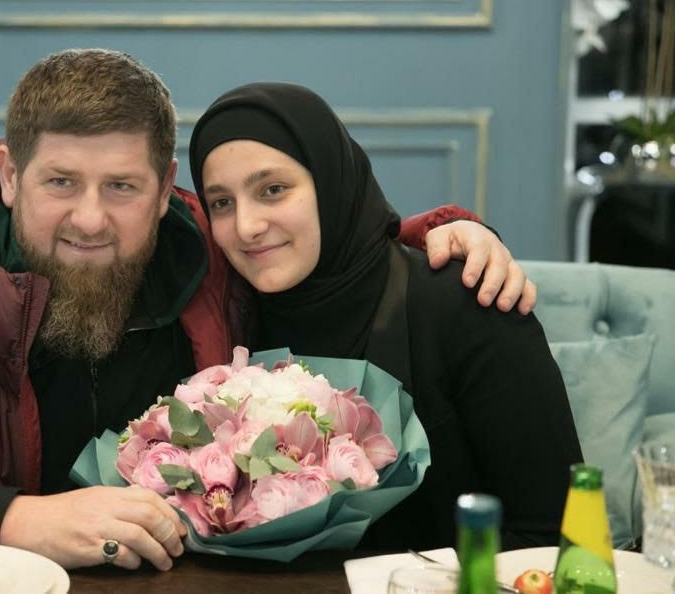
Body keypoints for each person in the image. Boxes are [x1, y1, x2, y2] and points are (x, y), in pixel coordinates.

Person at [0, 49, 537, 570]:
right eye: (61, 181)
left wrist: (439, 234)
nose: (91, 218)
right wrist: (12, 519)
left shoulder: (214, 267)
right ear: (10, 176)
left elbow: (321, 249)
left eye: (122, 187)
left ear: (164, 190)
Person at [188, 82, 583, 550]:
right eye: (222, 203)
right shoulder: (228, 327)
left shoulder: (465, 303)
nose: (247, 226)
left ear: (331, 183)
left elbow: (556, 533)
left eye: (273, 190)